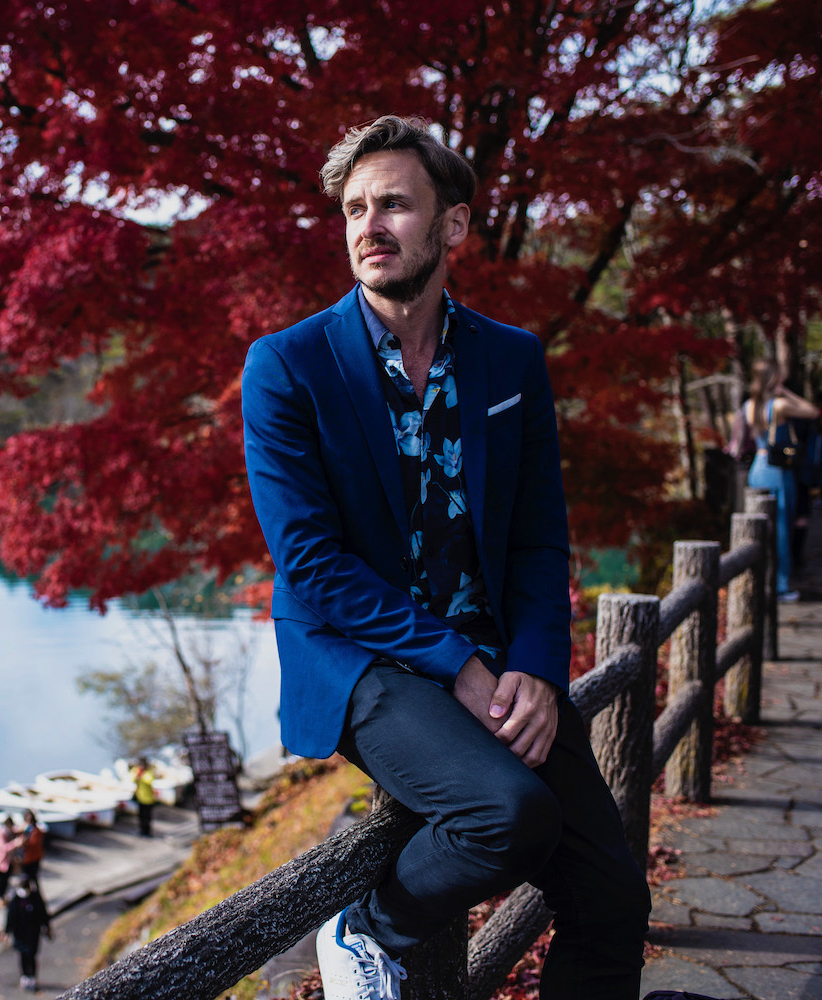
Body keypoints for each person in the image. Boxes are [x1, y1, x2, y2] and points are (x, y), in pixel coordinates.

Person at [241, 115, 650, 1000]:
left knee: (613, 898)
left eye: (394, 203)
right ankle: (364, 930)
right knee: (506, 812)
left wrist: (540, 669)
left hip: (495, 654)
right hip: (361, 656)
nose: (368, 226)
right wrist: (459, 666)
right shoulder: (287, 366)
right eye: (353, 208)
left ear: (453, 226)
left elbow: (541, 539)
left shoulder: (511, 360)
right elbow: (309, 562)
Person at [738, 359, 819, 601]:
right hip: (778, 469)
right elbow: (812, 411)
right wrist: (787, 393)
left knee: (761, 527)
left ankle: (759, 579)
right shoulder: (780, 405)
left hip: (758, 466)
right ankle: (781, 584)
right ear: (773, 379)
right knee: (782, 527)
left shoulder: (748, 405)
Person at [1, 874, 53, 992]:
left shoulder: (35, 898)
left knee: (32, 955)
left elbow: (43, 914)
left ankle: (32, 977)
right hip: (20, 934)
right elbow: (10, 917)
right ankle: (25, 976)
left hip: (33, 933)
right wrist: (6, 932)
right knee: (23, 955)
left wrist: (47, 927)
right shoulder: (15, 900)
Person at [0, 815, 23, 901]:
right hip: (0, 861)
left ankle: (3, 897)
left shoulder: (11, 832)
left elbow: (19, 831)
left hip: (8, 861)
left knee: (6, 880)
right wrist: (15, 843)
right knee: (1, 880)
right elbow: (3, 848)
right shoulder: (1, 834)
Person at [131, 757, 157, 837]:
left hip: (148, 799)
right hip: (140, 798)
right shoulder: (136, 771)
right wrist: (137, 774)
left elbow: (149, 780)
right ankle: (142, 831)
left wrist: (141, 775)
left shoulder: (149, 772)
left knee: (147, 817)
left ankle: (147, 832)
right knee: (140, 816)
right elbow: (132, 778)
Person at [19, 809, 45, 884]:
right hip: (25, 857)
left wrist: (24, 842)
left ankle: (34, 895)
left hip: (32, 858)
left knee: (32, 878)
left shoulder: (36, 831)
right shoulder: (25, 828)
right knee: (25, 877)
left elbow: (34, 843)